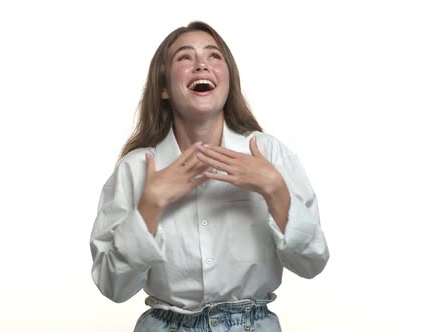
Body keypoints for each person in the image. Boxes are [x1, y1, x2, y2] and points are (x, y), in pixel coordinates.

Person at [90, 21, 329, 331]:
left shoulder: (270, 155)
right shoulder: (136, 169)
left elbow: (312, 264)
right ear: (163, 87)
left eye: (214, 56)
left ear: (228, 79)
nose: (201, 64)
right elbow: (113, 287)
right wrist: (150, 204)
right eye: (184, 57)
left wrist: (275, 190)